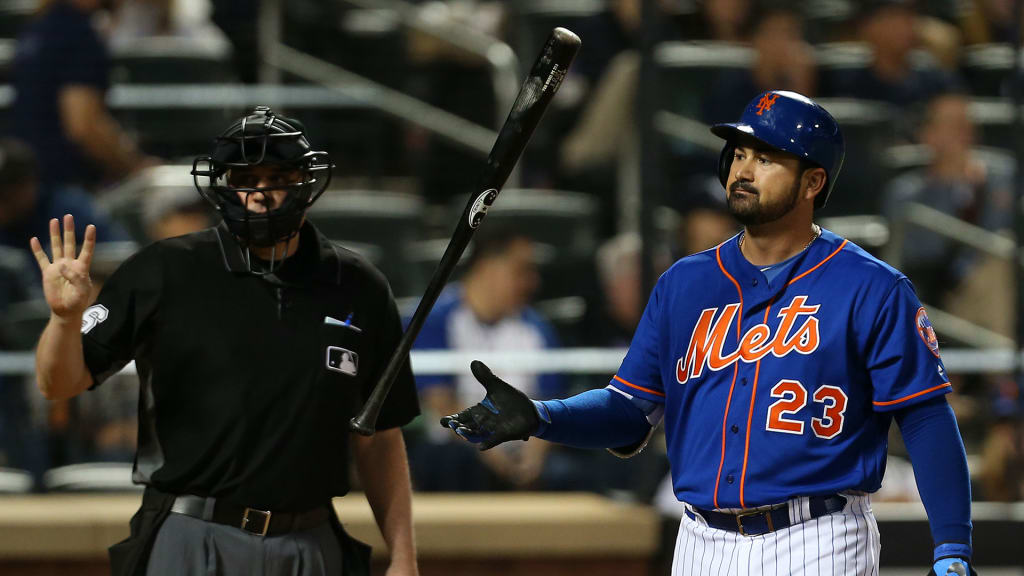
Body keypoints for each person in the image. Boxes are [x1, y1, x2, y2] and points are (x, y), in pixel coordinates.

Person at [440, 91, 975, 576]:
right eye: (739, 154)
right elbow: (629, 410)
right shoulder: (685, 284)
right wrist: (541, 416)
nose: (743, 169)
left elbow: (925, 416)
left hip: (818, 536)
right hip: (699, 540)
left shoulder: (872, 288)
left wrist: (952, 546)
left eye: (766, 158)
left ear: (813, 182)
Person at [30, 107, 420, 576]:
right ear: (221, 185)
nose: (260, 193)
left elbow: (380, 435)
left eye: (277, 176)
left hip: (311, 541)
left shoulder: (359, 285)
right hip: (191, 535)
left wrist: (403, 553)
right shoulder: (162, 271)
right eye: (244, 177)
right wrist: (64, 320)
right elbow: (59, 383)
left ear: (306, 183)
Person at [409, 227, 565, 491]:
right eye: (522, 271)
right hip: (460, 447)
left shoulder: (537, 328)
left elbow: (553, 402)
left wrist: (534, 459)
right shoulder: (436, 320)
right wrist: (493, 456)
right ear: (487, 266)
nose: (532, 282)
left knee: (570, 469)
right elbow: (440, 403)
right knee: (454, 462)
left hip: (523, 446)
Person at [12, 0, 156, 191]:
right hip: (60, 185)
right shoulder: (78, 35)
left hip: (25, 179)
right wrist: (136, 168)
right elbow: (83, 128)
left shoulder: (38, 26)